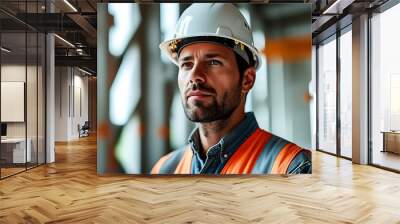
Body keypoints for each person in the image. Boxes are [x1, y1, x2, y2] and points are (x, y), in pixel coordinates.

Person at [152, 3, 311, 174]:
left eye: (213, 62)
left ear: (247, 80)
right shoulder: (164, 169)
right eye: (187, 64)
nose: (195, 75)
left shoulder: (290, 167)